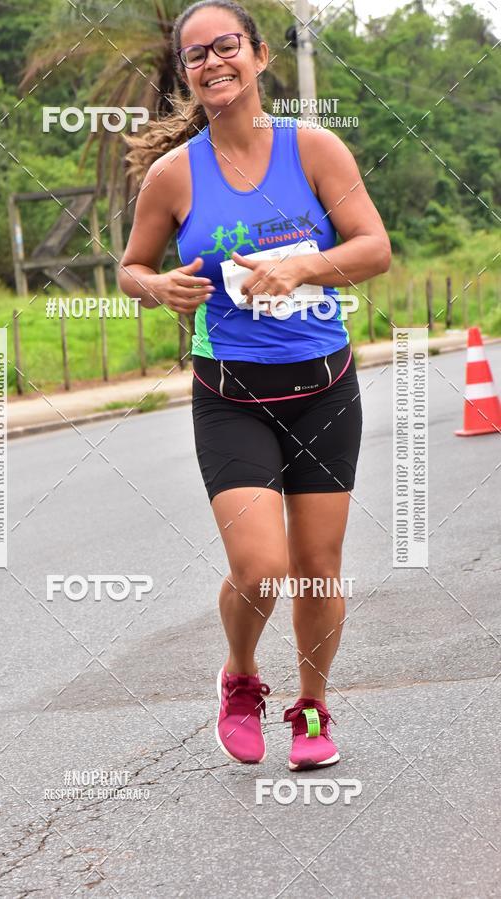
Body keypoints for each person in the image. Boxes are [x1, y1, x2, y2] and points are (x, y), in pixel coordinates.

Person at [118, 0, 390, 769]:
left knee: (319, 570)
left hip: (324, 388)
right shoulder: (174, 175)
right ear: (186, 75)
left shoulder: (315, 149)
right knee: (261, 566)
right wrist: (156, 287)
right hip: (231, 396)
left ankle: (313, 708)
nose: (213, 61)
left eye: (226, 45)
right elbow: (131, 266)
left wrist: (303, 266)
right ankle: (240, 677)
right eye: (196, 54)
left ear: (260, 55)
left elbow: (374, 247)